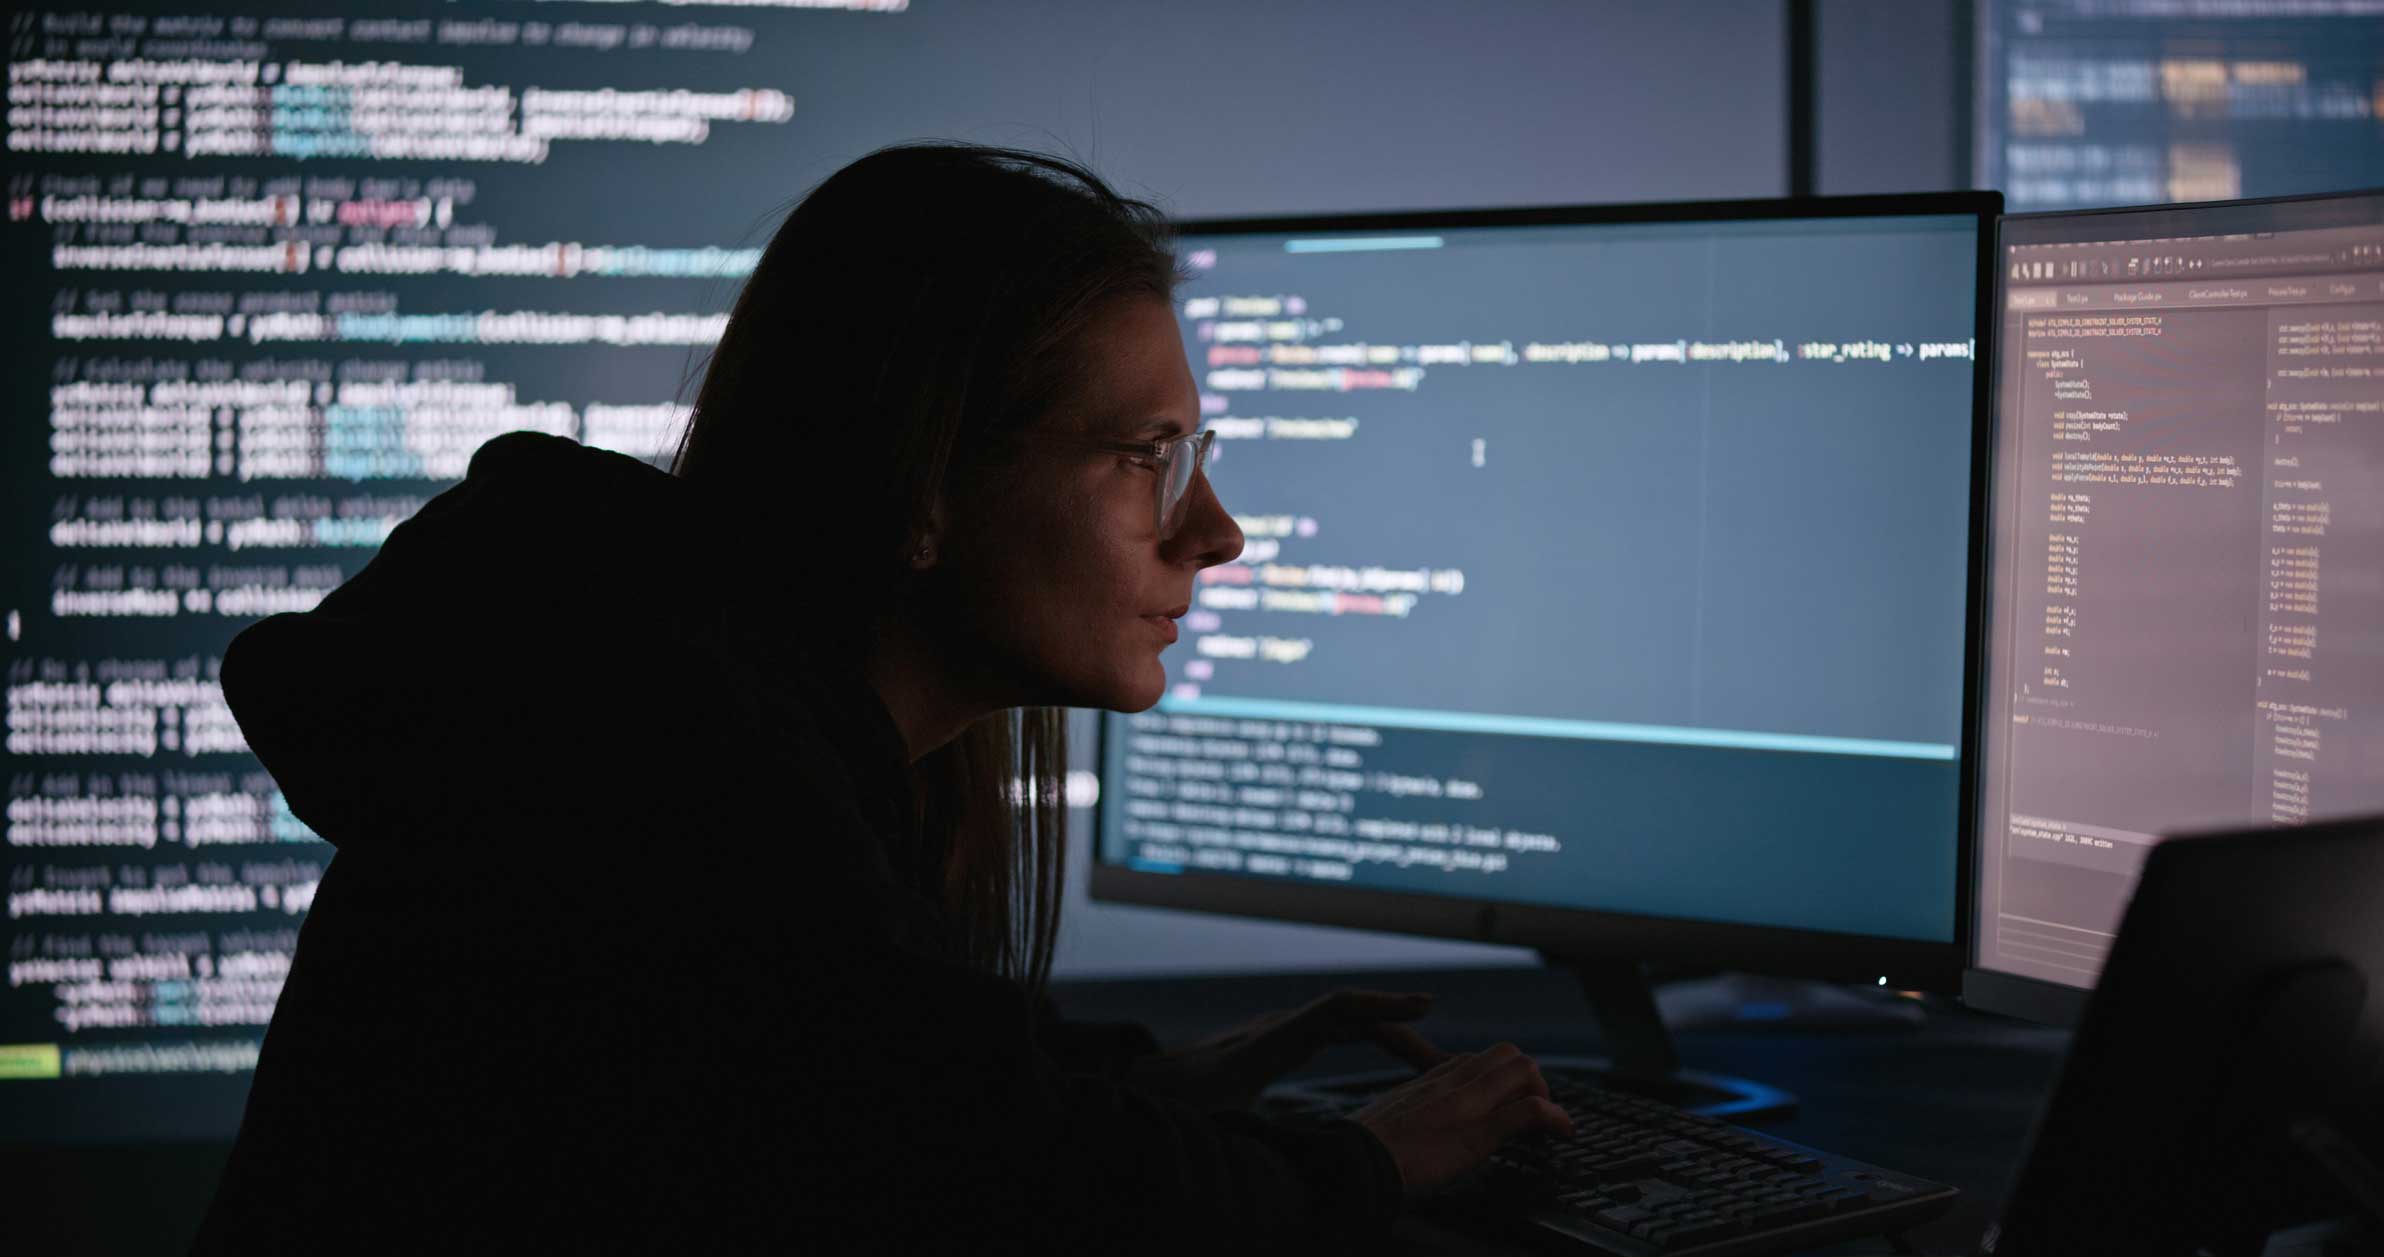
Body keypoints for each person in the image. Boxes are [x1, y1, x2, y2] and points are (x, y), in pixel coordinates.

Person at [190, 143, 1573, 1255]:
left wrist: (1180, 1075)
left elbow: (879, 1085)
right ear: (920, 486)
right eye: (1146, 457)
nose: (1215, 529)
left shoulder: (712, 700)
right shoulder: (669, 766)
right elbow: (993, 1183)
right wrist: (1376, 1156)